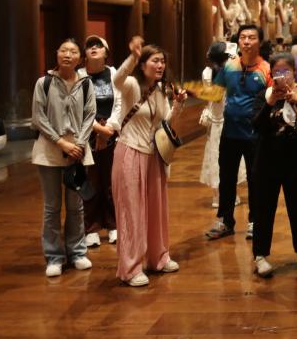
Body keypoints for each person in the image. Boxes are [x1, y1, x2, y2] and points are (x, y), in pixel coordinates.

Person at [111, 36, 186, 286]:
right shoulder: (132, 85)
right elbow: (117, 79)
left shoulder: (160, 90)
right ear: (143, 65)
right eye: (155, 60)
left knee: (156, 209)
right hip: (130, 151)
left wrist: (177, 106)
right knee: (131, 211)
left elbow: (165, 123)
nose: (160, 65)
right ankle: (131, 268)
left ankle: (159, 257)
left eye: (162, 61)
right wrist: (132, 57)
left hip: (154, 155)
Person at [250, 53, 297, 277]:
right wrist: (270, 103)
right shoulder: (264, 95)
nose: (282, 76)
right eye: (277, 72)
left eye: (286, 71)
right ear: (271, 74)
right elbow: (257, 126)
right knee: (264, 211)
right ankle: (260, 256)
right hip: (267, 162)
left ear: (295, 72)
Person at [31, 38, 95, 278]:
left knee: (76, 206)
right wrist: (61, 142)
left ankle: (77, 252)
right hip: (49, 151)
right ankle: (54, 257)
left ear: (80, 58)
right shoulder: (44, 83)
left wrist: (79, 144)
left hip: (78, 151)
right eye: (64, 50)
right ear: (56, 54)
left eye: (73, 51)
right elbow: (38, 117)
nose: (68, 55)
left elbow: (90, 115)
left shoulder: (86, 83)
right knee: (52, 207)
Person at [206, 24, 272, 241]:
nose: (246, 41)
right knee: (226, 178)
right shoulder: (229, 66)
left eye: (251, 37)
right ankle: (226, 220)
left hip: (256, 135)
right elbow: (215, 94)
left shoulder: (266, 69)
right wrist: (190, 90)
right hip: (230, 132)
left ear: (259, 42)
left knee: (256, 180)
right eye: (243, 37)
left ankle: (255, 221)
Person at [79, 35, 123, 247]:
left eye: (98, 45)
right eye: (89, 46)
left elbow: (120, 103)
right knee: (90, 182)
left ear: (106, 53)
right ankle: (91, 227)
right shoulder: (78, 76)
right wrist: (98, 130)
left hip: (112, 134)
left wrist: (109, 130)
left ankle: (114, 225)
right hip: (86, 136)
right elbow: (77, 108)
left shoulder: (114, 74)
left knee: (112, 181)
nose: (94, 48)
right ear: (85, 54)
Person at [199, 42, 233, 209]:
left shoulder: (206, 73)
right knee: (229, 159)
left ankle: (217, 196)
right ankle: (228, 195)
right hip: (228, 120)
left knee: (215, 157)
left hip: (215, 119)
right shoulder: (229, 72)